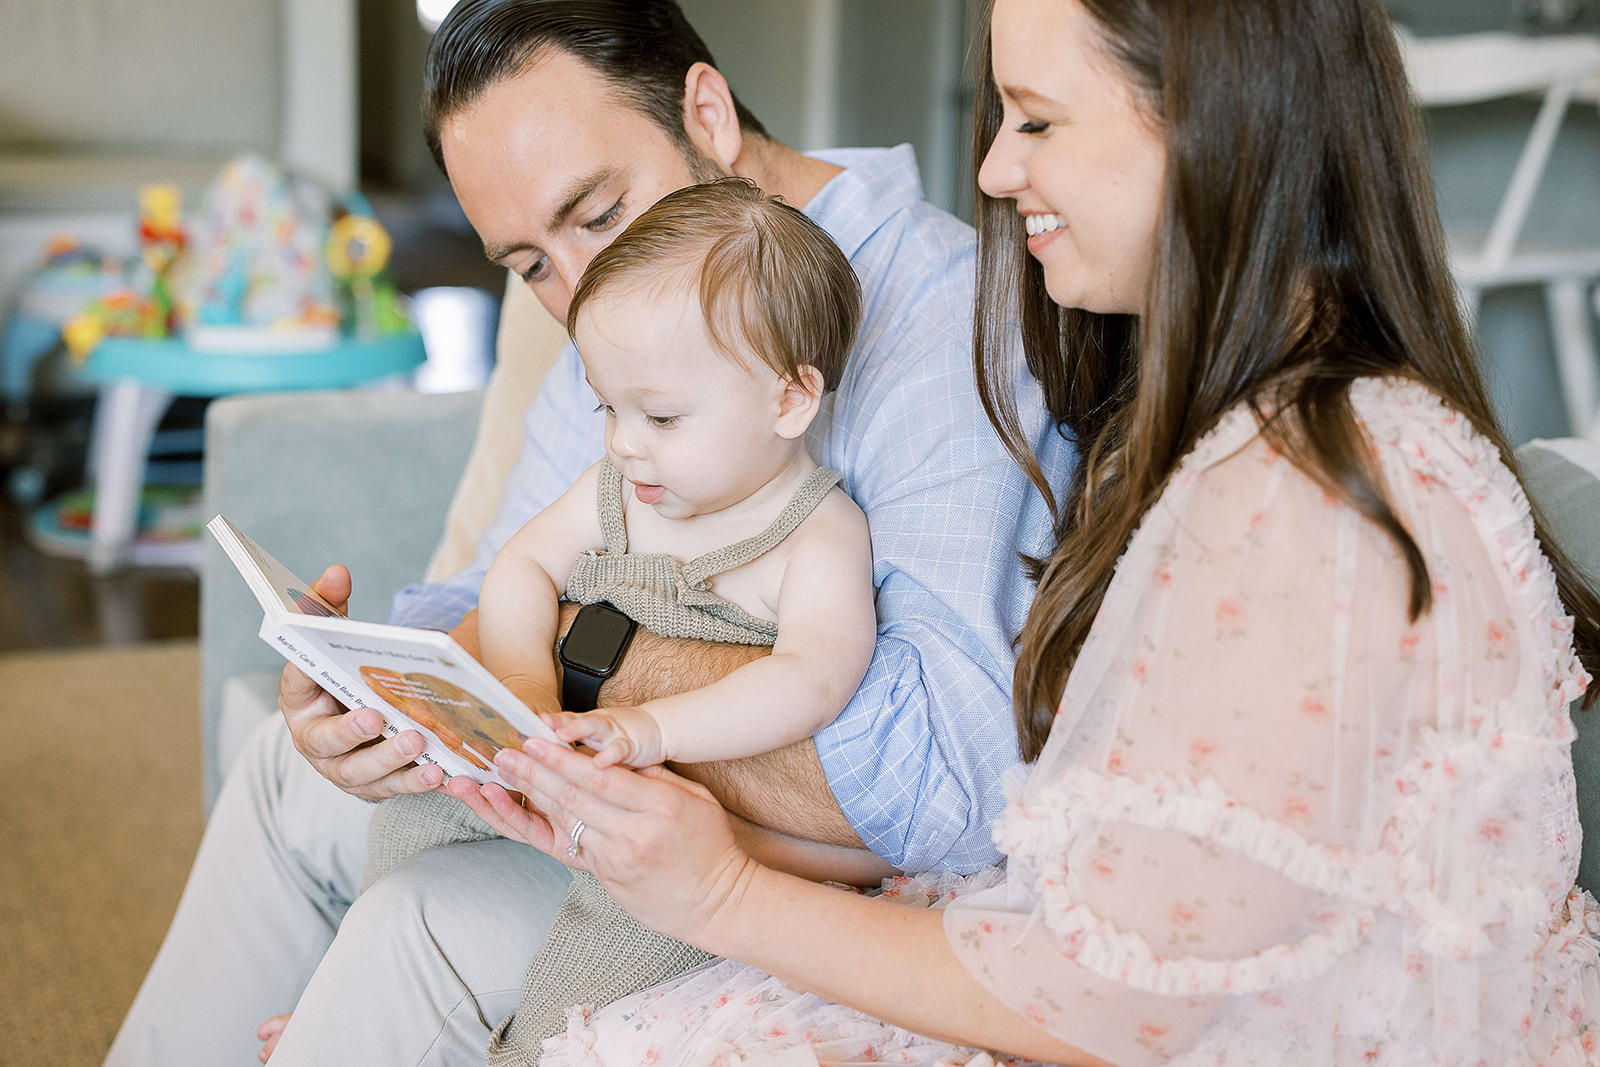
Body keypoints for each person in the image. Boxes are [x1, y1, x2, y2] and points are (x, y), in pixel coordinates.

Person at [449, 0, 1600, 1062]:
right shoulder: (1243, 433)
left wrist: (718, 892)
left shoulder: (1299, 488)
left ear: (1210, 122)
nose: (994, 168)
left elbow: (1116, 995)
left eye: (1036, 120)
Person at [104, 1, 1068, 1064]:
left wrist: (579, 675)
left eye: (596, 214)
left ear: (705, 114)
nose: (574, 295)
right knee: (283, 768)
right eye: (526, 264)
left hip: (771, 855)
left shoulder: (950, 322)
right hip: (583, 771)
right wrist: (378, 695)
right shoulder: (610, 311)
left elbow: (937, 778)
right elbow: (483, 583)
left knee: (414, 917)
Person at [481, 178, 874, 770]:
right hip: (561, 763)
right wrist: (524, 684)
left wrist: (651, 729)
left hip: (684, 808)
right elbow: (521, 566)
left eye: (662, 417)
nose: (623, 443)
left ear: (790, 401)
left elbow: (812, 681)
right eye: (608, 408)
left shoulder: (819, 537)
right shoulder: (613, 495)